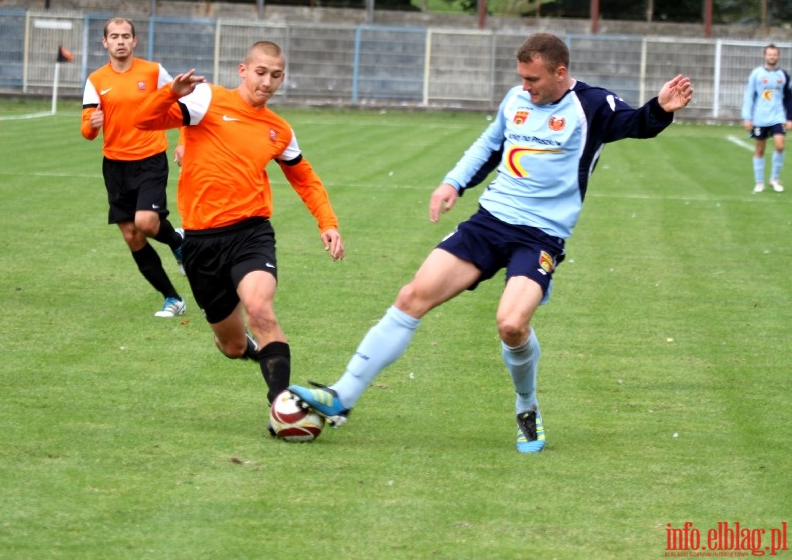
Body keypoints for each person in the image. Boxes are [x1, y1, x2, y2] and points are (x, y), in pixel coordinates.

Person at [289, 33, 694, 453]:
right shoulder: (516, 101)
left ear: (560, 72)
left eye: (533, 78)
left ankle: (527, 407)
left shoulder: (590, 105)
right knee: (412, 296)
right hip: (489, 222)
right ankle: (341, 396)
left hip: (540, 235)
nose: (525, 87)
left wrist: (660, 108)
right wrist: (454, 182)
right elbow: (490, 145)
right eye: (521, 77)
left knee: (512, 324)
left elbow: (635, 123)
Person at [133, 41, 345, 407]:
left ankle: (281, 405)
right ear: (242, 70)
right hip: (201, 241)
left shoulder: (279, 129)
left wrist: (327, 222)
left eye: (275, 76)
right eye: (260, 72)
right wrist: (170, 94)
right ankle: (251, 348)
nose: (266, 82)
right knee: (231, 347)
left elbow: (304, 178)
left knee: (260, 309)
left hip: (251, 233)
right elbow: (143, 121)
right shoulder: (205, 100)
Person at [81, 17, 187, 317]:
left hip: (150, 158)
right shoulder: (96, 80)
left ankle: (177, 240)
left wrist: (183, 141)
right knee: (132, 236)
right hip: (115, 166)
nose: (120, 41)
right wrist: (92, 125)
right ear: (105, 42)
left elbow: (183, 104)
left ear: (134, 40)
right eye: (114, 36)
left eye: (126, 36)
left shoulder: (153, 72)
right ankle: (173, 298)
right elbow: (87, 130)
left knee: (146, 222)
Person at [741, 43, 792, 193]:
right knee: (760, 149)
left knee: (780, 146)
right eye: (769, 54)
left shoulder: (783, 75)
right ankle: (759, 182)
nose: (772, 57)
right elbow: (749, 95)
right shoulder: (757, 74)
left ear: (778, 56)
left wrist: (789, 118)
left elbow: (789, 98)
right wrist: (747, 117)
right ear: (765, 56)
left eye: (774, 54)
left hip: (778, 116)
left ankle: (774, 179)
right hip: (760, 118)